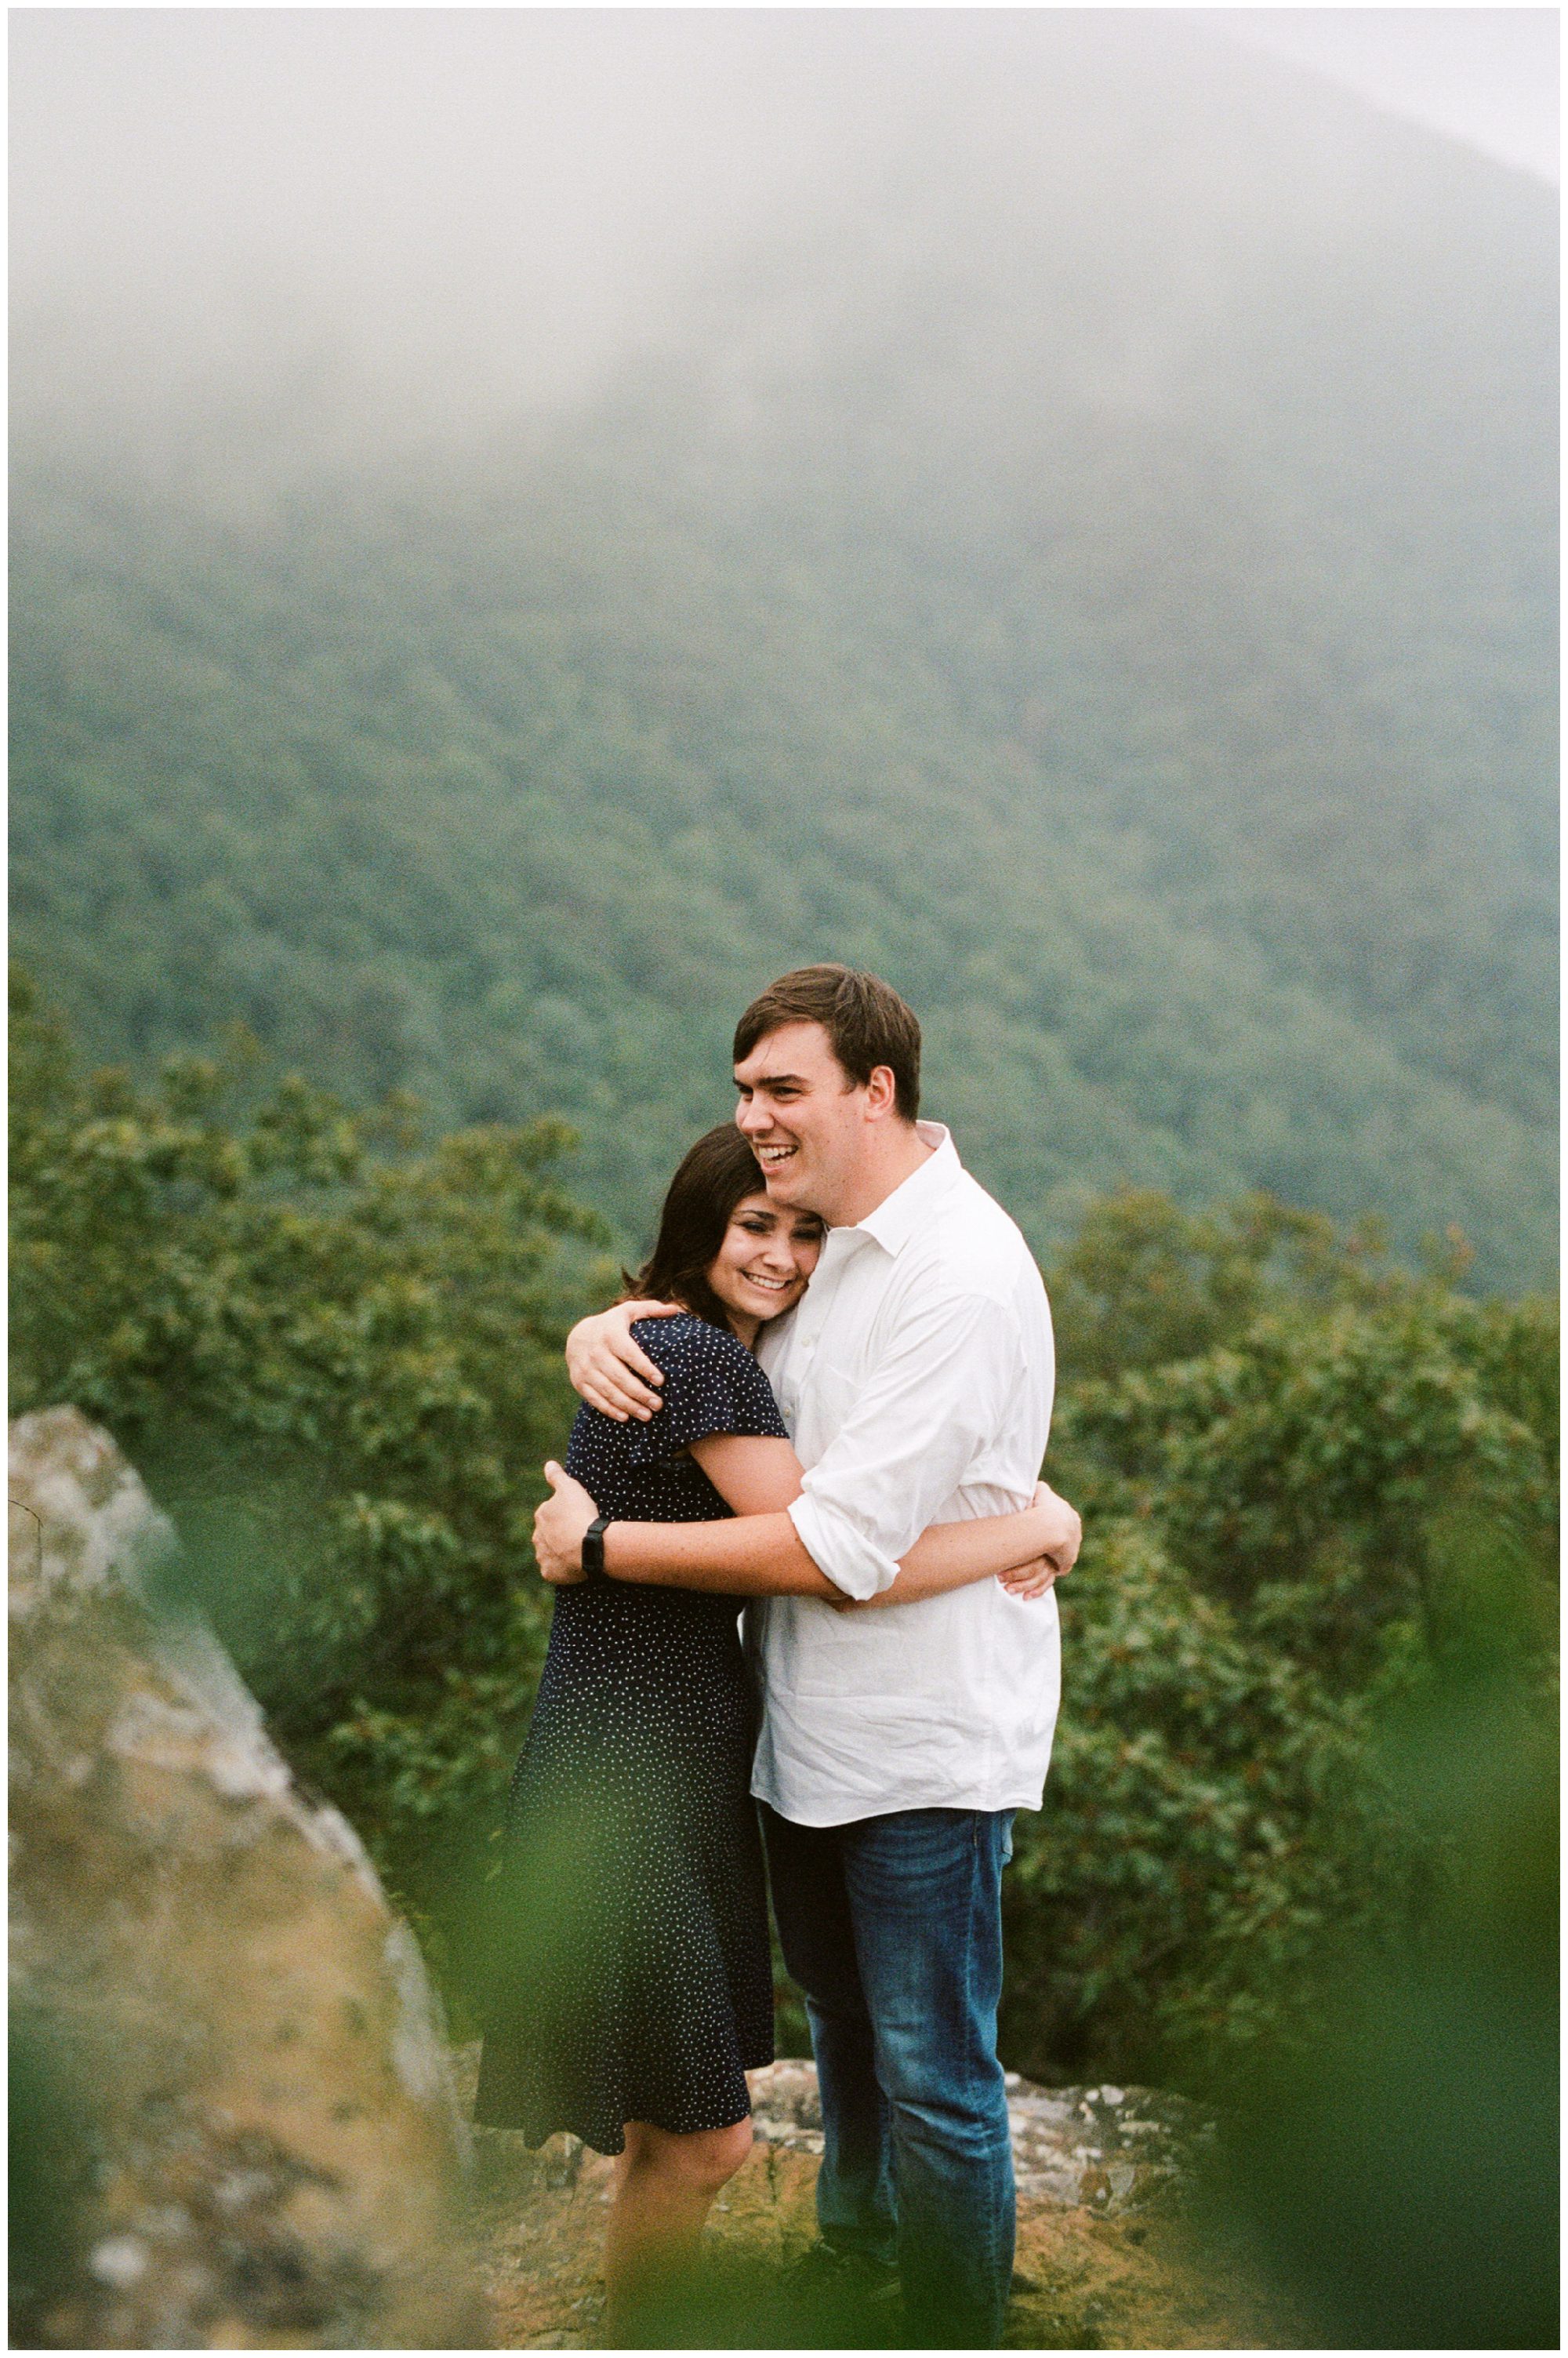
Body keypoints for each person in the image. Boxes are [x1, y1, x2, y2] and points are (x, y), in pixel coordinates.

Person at [535, 965, 1076, 2348]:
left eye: (783, 1089)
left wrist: (601, 1548)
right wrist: (613, 1319)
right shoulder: (838, 1244)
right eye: (745, 1093)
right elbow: (718, 1332)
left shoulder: (955, 1269)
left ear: (872, 1089)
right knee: (844, 2027)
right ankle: (857, 2254)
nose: (757, 1115)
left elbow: (834, 1550)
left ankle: (953, 2325)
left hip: (919, 1733)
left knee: (937, 2074)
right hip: (798, 1734)